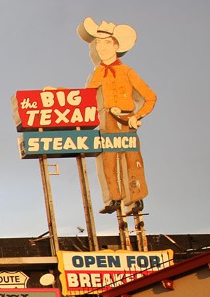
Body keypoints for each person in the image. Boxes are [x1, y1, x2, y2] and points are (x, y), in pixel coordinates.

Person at [79, 18, 156, 215]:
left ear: (115, 45)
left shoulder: (127, 71)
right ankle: (114, 197)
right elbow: (83, 96)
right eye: (98, 44)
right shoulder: (98, 73)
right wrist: (58, 93)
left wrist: (137, 116)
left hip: (127, 119)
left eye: (106, 43)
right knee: (109, 160)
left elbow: (150, 97)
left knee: (133, 160)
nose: (101, 47)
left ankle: (136, 199)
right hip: (108, 120)